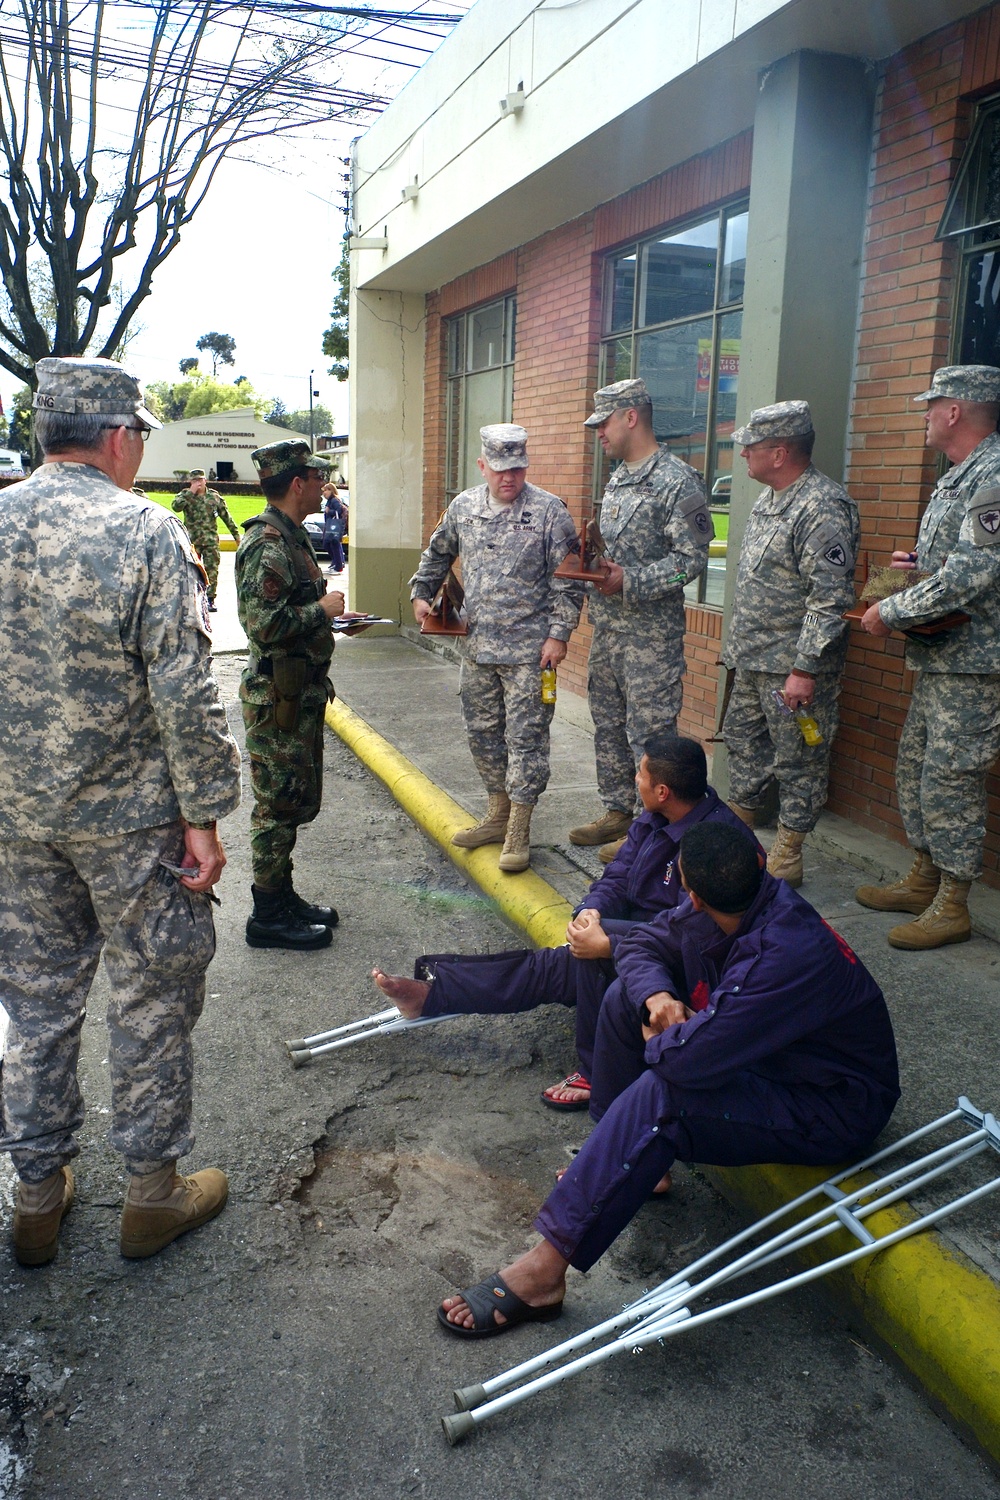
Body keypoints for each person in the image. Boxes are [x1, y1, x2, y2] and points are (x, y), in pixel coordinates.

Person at [435, 822, 899, 1336]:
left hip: (831, 1106)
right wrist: (656, 997)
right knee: (622, 997)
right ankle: (628, 1168)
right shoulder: (745, 898)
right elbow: (640, 947)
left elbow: (683, 1066)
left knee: (665, 1095)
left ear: (692, 893)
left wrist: (657, 1031)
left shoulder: (785, 953)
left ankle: (543, 1275)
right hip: (773, 1059)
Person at [0, 356, 242, 1266]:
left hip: (15, 820)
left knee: (35, 1005)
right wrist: (206, 817)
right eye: (140, 432)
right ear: (115, 436)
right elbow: (185, 690)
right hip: (131, 824)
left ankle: (35, 1196)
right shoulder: (143, 531)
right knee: (149, 997)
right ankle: (149, 1195)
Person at [373, 737, 763, 1108]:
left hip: (685, 962)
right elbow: (619, 875)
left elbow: (694, 934)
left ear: (663, 791)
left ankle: (597, 1074)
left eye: (641, 774)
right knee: (555, 965)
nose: (635, 779)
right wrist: (589, 913)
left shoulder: (714, 845)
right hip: (641, 935)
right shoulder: (656, 816)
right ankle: (431, 993)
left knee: (585, 963)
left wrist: (610, 941)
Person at [857, 364, 1000, 948]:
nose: (924, 413)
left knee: (952, 778)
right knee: (916, 767)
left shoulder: (993, 474)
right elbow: (950, 566)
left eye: (931, 404)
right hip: (940, 654)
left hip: (973, 662)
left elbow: (973, 574)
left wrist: (890, 612)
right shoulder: (958, 477)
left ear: (956, 410)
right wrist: (911, 571)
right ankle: (925, 876)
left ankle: (953, 902)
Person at [409, 424, 582, 873]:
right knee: (482, 734)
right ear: (483, 466)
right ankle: (497, 812)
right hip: (477, 647)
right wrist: (421, 594)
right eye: (501, 469)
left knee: (526, 739)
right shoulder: (464, 506)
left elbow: (569, 581)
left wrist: (559, 635)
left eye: (518, 469)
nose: (510, 478)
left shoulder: (549, 512)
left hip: (530, 653)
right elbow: (436, 554)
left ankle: (520, 826)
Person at [568, 379, 711, 862]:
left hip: (651, 638)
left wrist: (631, 579)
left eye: (603, 423)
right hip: (609, 630)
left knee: (649, 735)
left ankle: (652, 832)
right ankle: (619, 812)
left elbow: (691, 559)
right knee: (608, 725)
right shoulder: (619, 478)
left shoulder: (677, 480)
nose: (598, 434)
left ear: (631, 416)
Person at [722, 400, 859, 888]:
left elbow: (831, 599)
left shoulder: (822, 505)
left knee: (799, 756)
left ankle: (789, 849)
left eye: (750, 447)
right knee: (744, 743)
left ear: (778, 453)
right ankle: (739, 825)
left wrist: (805, 668)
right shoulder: (771, 498)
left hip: (792, 668)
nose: (743, 455)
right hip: (754, 660)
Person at [236, 439, 346, 950]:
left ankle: (283, 896)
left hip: (296, 692)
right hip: (276, 698)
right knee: (276, 808)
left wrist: (333, 622)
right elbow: (261, 623)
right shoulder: (269, 543)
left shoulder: (291, 536)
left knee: (292, 801)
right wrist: (322, 611)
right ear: (296, 483)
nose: (325, 485)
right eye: (316, 476)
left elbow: (290, 613)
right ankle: (267, 917)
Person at [172, 467, 241, 610]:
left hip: (210, 541)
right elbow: (176, 507)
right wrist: (190, 492)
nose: (198, 483)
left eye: (200, 480)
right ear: (191, 482)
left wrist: (236, 536)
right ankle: (193, 598)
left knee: (212, 570)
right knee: (191, 571)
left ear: (205, 480)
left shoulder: (214, 497)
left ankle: (210, 599)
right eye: (194, 480)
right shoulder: (185, 495)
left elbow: (226, 517)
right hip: (192, 541)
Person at [321, 480, 347, 575]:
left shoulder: (334, 500)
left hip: (333, 526)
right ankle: (336, 562)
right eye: (323, 491)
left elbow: (339, 511)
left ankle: (338, 566)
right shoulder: (330, 501)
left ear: (331, 490)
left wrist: (329, 511)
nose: (324, 493)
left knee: (331, 544)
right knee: (330, 544)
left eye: (326, 490)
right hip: (330, 526)